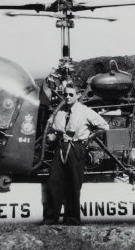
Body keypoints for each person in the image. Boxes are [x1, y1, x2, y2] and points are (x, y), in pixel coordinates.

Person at [43, 85, 109, 225]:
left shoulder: (85, 111)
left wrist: (90, 137)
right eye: (65, 94)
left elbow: (104, 126)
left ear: (78, 95)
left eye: (71, 94)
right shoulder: (60, 111)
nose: (67, 97)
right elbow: (55, 130)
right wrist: (52, 136)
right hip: (60, 147)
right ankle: (50, 219)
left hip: (76, 148)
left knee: (74, 183)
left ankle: (72, 219)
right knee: (54, 182)